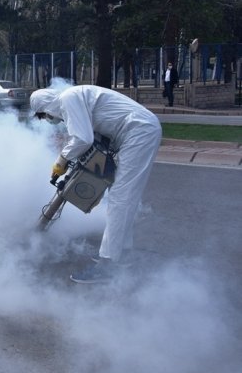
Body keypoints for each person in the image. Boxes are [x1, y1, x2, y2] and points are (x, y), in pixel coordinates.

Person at [31, 84, 162, 283]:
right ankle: (122, 254)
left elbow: (82, 138)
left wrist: (61, 160)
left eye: (45, 116)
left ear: (46, 108)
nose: (50, 120)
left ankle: (108, 265)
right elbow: (93, 136)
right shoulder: (72, 98)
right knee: (122, 199)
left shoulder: (67, 99)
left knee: (121, 199)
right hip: (136, 131)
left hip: (139, 132)